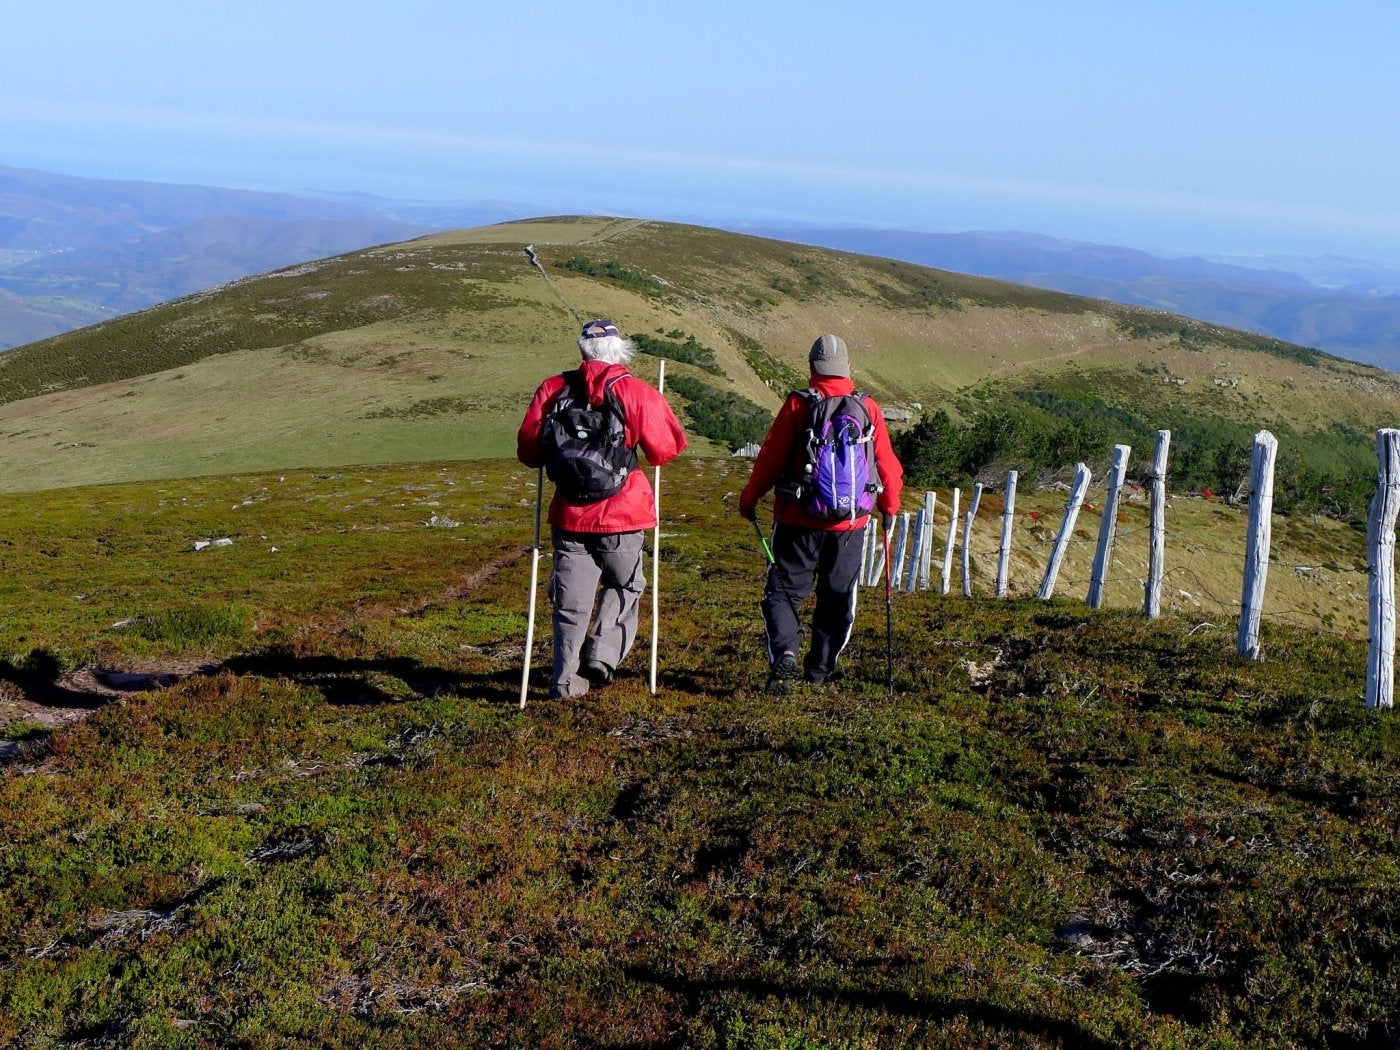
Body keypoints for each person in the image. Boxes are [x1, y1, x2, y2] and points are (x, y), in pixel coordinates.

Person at [517, 319, 687, 699]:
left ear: (582, 350)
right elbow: (666, 450)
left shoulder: (554, 388)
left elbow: (528, 452)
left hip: (569, 515)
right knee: (626, 584)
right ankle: (602, 653)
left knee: (570, 602)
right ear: (618, 350)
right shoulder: (634, 391)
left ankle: (564, 681)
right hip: (623, 515)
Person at [738, 333, 904, 694]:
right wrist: (889, 507)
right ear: (847, 367)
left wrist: (749, 499)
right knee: (838, 596)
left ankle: (784, 651)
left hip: (797, 519)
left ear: (813, 367)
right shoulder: (867, 407)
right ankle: (819, 673)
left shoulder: (799, 404)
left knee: (783, 592)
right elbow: (887, 463)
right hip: (850, 523)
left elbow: (770, 457)